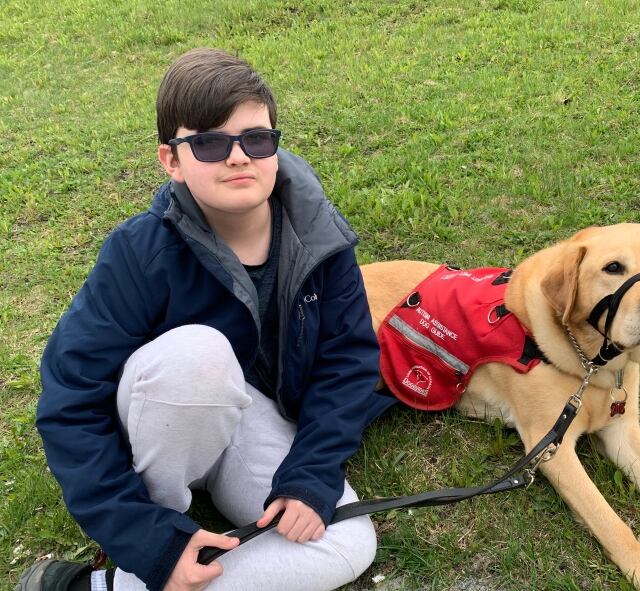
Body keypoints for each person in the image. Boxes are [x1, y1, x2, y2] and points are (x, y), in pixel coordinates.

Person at [17, 48, 396, 591]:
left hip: (252, 417)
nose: (239, 157)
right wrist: (146, 535)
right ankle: (163, 530)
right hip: (162, 425)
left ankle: (102, 588)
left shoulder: (319, 237)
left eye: (256, 139)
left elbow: (347, 361)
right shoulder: (137, 253)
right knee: (200, 353)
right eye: (210, 143)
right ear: (172, 160)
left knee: (346, 539)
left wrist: (310, 475)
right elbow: (70, 402)